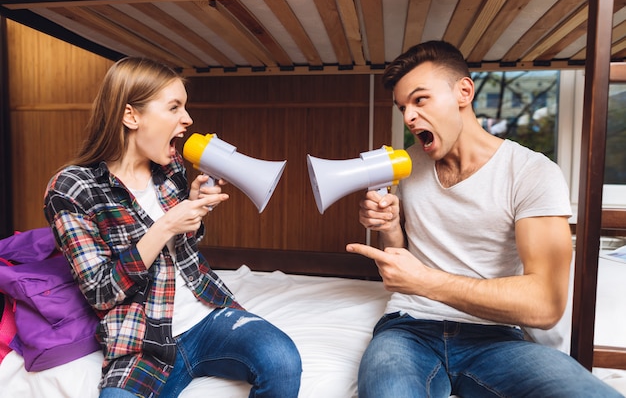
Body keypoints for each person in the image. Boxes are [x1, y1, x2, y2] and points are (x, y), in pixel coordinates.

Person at [346, 41, 623, 398]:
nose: (408, 117)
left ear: (464, 92)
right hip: (408, 329)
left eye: (420, 100)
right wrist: (389, 228)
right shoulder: (408, 165)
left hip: (497, 337)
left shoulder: (532, 172)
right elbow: (403, 265)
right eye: (402, 107)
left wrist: (426, 281)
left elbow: (546, 304)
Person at [43, 57, 302, 398]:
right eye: (174, 107)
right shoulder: (71, 188)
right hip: (140, 340)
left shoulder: (171, 167)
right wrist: (166, 225)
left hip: (207, 317)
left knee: (283, 360)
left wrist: (193, 212)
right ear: (131, 115)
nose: (187, 119)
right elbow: (101, 292)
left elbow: (184, 248)